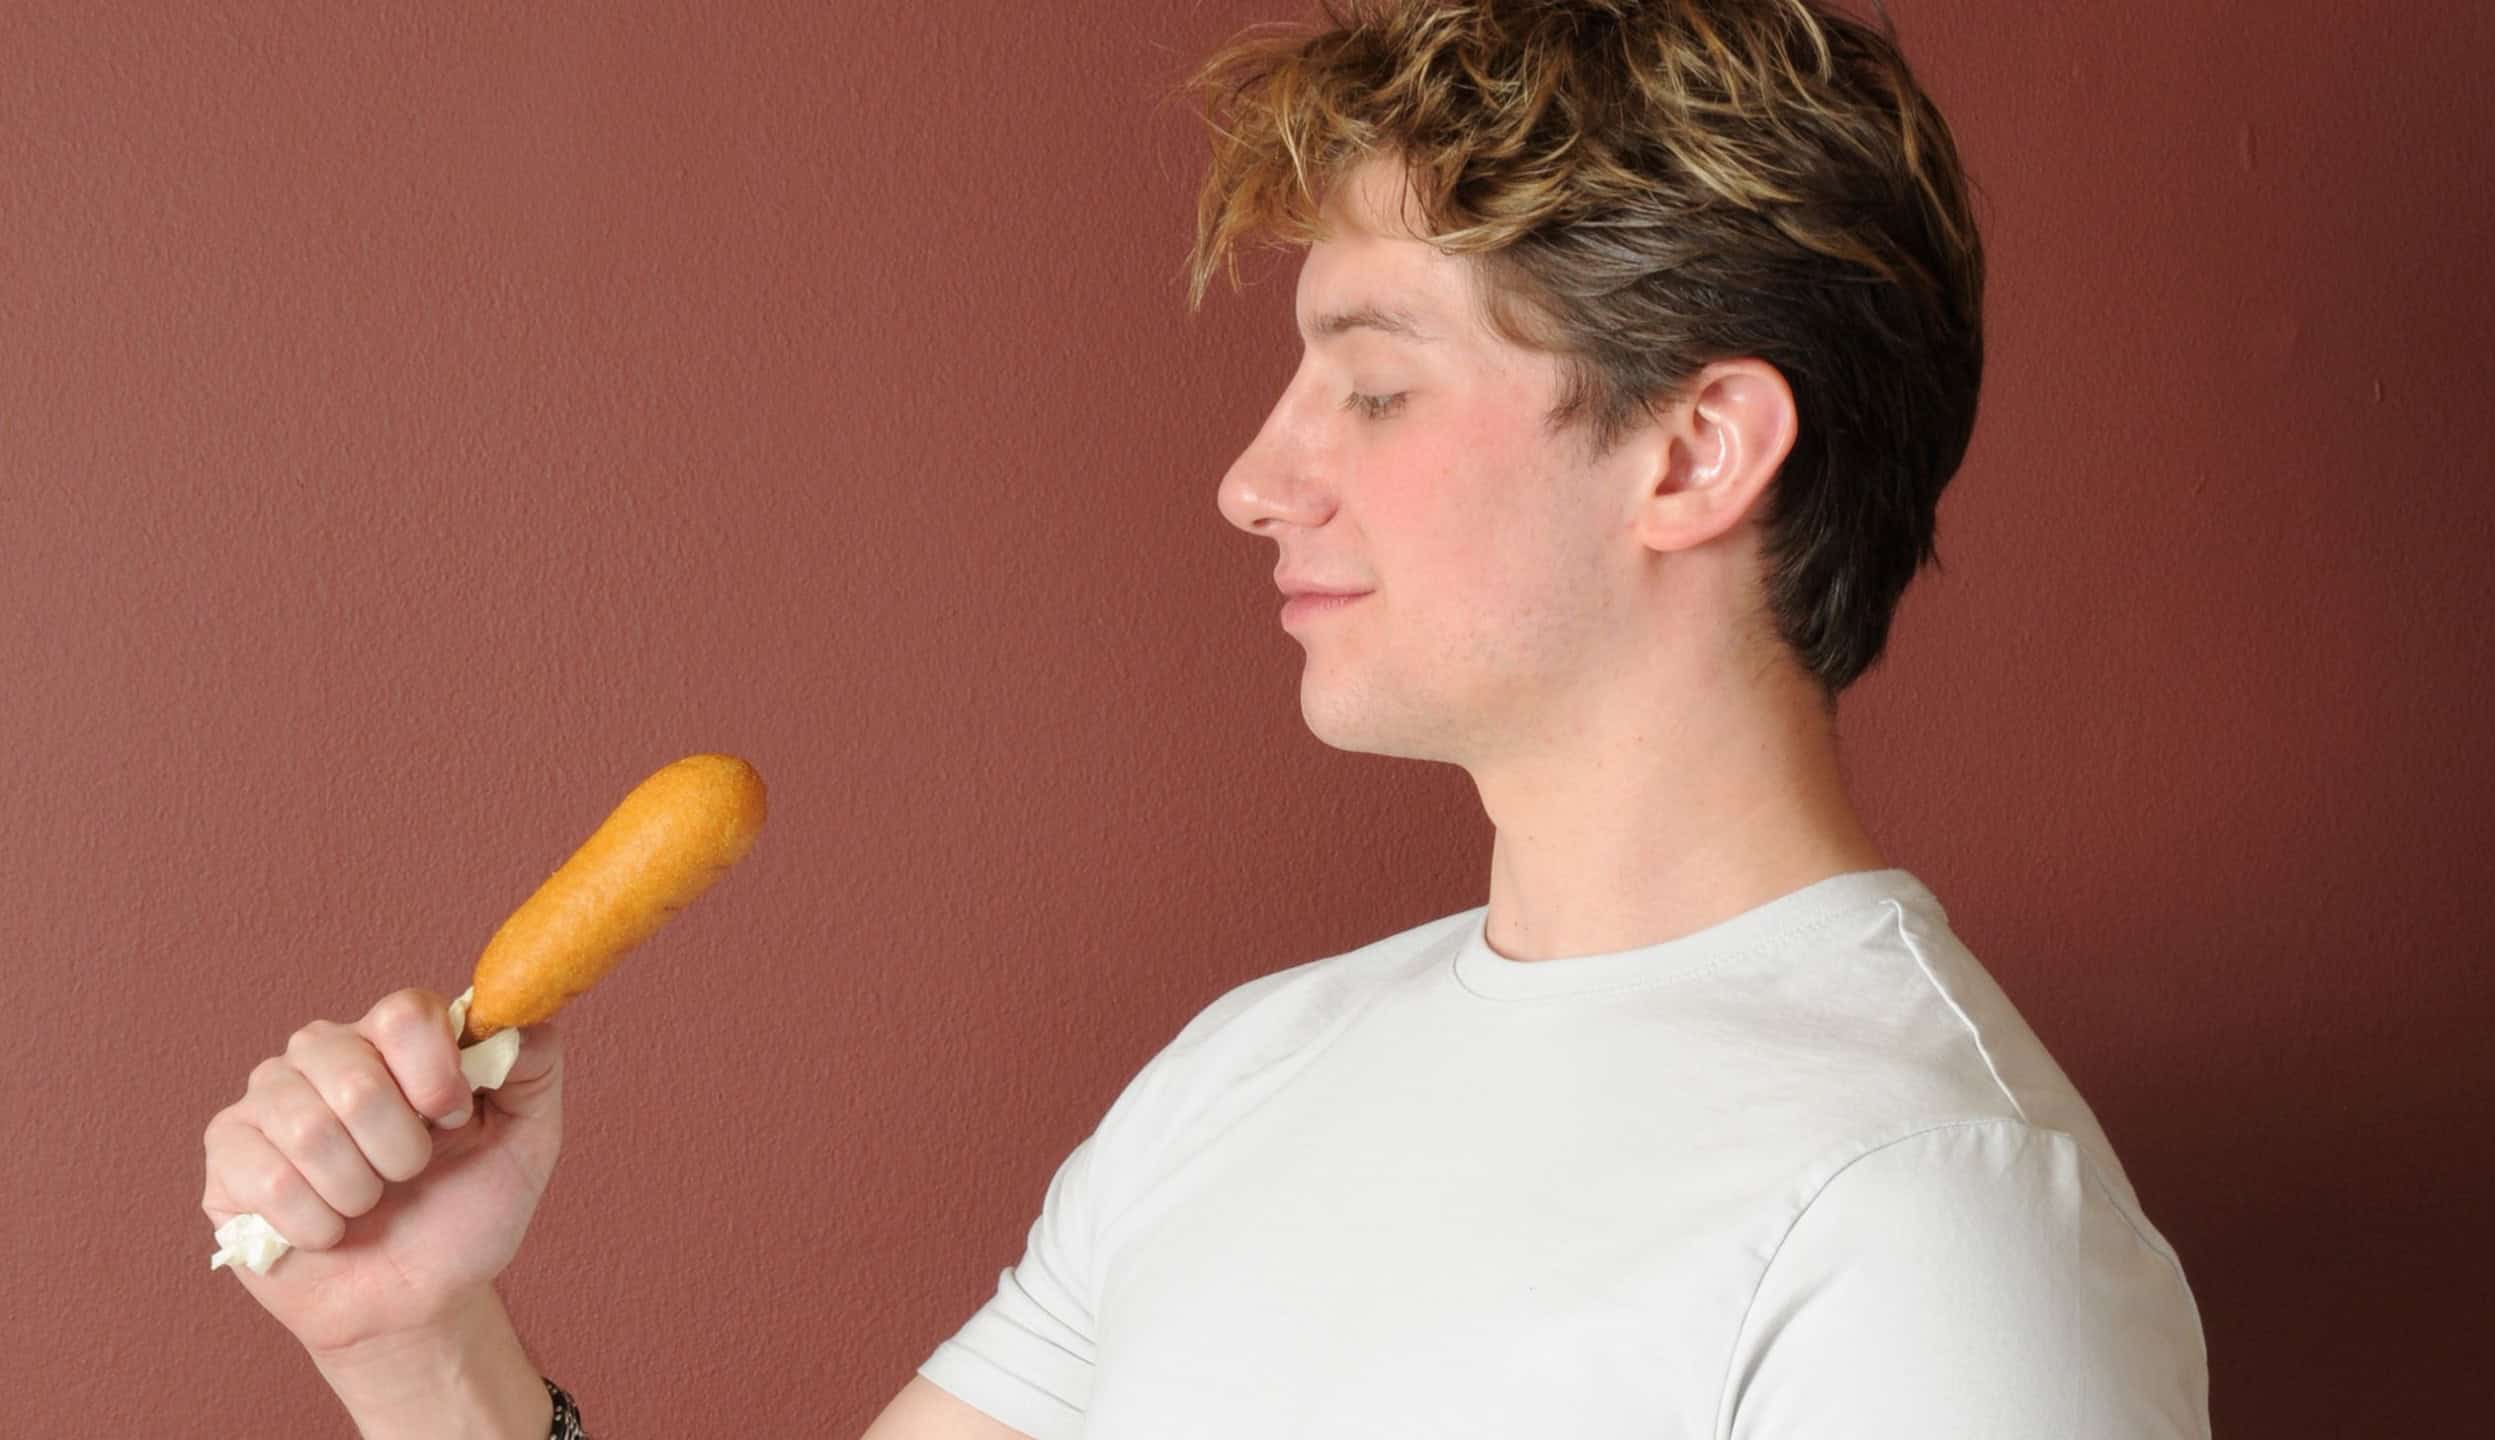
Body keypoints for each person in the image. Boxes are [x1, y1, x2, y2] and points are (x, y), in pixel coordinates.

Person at [200, 1, 2212, 1436]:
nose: (1257, 478)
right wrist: (420, 1348)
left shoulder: (1935, 1220)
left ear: (1693, 450)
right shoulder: (1247, 1080)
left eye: (1371, 379)